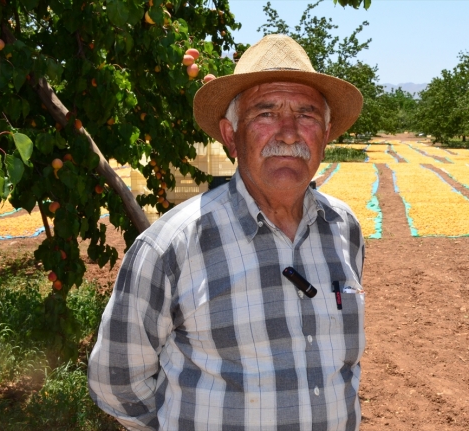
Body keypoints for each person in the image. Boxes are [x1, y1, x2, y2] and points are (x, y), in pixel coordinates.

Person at [88, 34, 366, 431]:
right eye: (266, 113)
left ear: (325, 132)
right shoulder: (171, 246)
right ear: (231, 136)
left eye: (306, 115)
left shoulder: (346, 229)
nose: (288, 133)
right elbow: (116, 382)